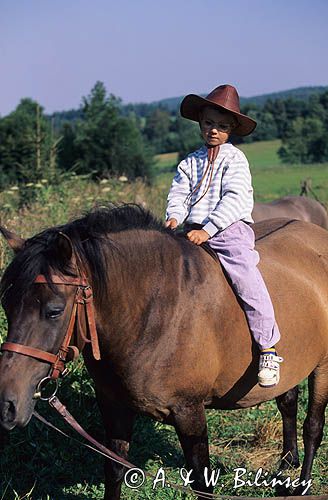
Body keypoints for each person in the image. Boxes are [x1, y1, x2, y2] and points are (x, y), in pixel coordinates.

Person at [165, 84, 283, 387]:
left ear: (231, 130)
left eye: (221, 126)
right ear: (200, 124)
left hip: (228, 230)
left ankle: (267, 346)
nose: (213, 131)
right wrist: (174, 216)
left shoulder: (235, 160)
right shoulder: (190, 161)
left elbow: (233, 199)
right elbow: (178, 192)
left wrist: (209, 229)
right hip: (190, 230)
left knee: (246, 277)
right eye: (208, 123)